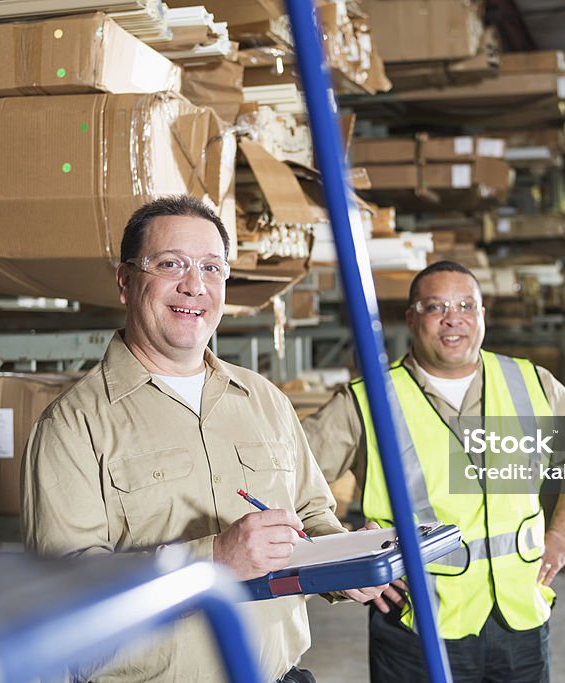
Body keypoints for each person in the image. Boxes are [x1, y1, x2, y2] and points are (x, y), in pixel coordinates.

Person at [21, 195, 384, 683]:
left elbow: (312, 516)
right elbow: (63, 589)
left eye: (212, 268)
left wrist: (347, 561)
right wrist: (213, 560)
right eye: (171, 264)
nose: (194, 285)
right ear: (126, 282)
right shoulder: (72, 425)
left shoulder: (264, 399)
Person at [302, 260, 565, 683]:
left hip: (518, 619)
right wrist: (343, 548)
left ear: (482, 315)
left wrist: (562, 534)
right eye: (435, 307)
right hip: (417, 624)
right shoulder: (369, 400)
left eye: (466, 305)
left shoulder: (529, 383)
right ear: (412, 317)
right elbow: (289, 481)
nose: (454, 319)